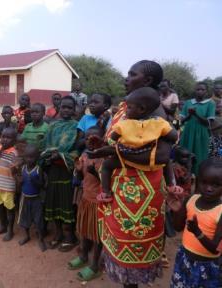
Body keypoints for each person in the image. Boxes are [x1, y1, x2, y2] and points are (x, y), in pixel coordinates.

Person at [95, 60, 172, 288]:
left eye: (132, 74)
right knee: (119, 243)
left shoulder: (156, 113)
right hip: (120, 187)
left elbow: (163, 156)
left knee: (133, 257)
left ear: (147, 80)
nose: (125, 78)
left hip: (139, 194)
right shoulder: (129, 106)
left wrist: (114, 151)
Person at [98, 87, 178, 202]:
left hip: (127, 158)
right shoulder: (160, 123)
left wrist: (109, 144)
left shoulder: (124, 124)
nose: (126, 110)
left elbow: (111, 140)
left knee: (106, 165)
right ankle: (171, 185)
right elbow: (174, 136)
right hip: (150, 161)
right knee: (167, 162)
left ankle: (106, 192)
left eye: (129, 107)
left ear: (141, 109)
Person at [170, 158, 222, 287]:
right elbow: (177, 227)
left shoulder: (220, 211)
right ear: (197, 181)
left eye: (216, 185)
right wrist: (177, 210)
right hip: (184, 259)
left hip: (208, 266)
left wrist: (197, 232)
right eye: (204, 183)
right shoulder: (191, 200)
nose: (209, 188)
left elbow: (215, 249)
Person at [41, 95, 79, 251]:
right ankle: (58, 234)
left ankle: (71, 237)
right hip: (52, 170)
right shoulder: (52, 126)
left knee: (66, 203)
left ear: (75, 109)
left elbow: (77, 149)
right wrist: (48, 156)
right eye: (64, 107)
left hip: (67, 171)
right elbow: (45, 146)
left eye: (70, 107)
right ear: (58, 108)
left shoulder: (76, 126)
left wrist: (63, 156)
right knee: (53, 202)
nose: (66, 110)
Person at [68, 126, 104, 282]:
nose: (90, 140)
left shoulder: (105, 158)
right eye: (88, 137)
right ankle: (83, 256)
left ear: (102, 140)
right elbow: (80, 176)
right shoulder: (84, 155)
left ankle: (95, 265)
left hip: (99, 203)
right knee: (83, 229)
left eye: (94, 137)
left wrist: (95, 172)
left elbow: (108, 182)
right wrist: (77, 169)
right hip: (85, 199)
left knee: (97, 235)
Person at [180, 82, 216, 174]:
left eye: (202, 90)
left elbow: (208, 123)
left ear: (206, 91)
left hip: (202, 133)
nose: (200, 91)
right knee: (185, 154)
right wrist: (189, 115)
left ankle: (198, 176)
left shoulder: (210, 104)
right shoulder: (188, 102)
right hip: (188, 132)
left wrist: (196, 114)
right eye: (198, 89)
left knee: (200, 155)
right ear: (195, 91)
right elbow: (182, 121)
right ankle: (184, 176)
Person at [17, 144, 47, 252]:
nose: (29, 159)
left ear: (37, 157)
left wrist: (36, 182)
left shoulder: (39, 169)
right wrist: (19, 182)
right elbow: (20, 184)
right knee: (25, 218)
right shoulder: (23, 168)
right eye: (27, 157)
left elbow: (43, 185)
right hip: (25, 198)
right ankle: (26, 235)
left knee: (39, 220)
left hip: (36, 199)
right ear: (24, 157)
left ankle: (41, 239)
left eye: (32, 157)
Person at [0, 127, 18, 241]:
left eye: (8, 138)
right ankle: (3, 226)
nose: (5, 139)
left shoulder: (14, 153)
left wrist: (15, 169)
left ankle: (10, 230)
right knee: (0, 207)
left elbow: (16, 171)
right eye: (3, 136)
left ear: (14, 140)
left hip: (8, 187)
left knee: (10, 209)